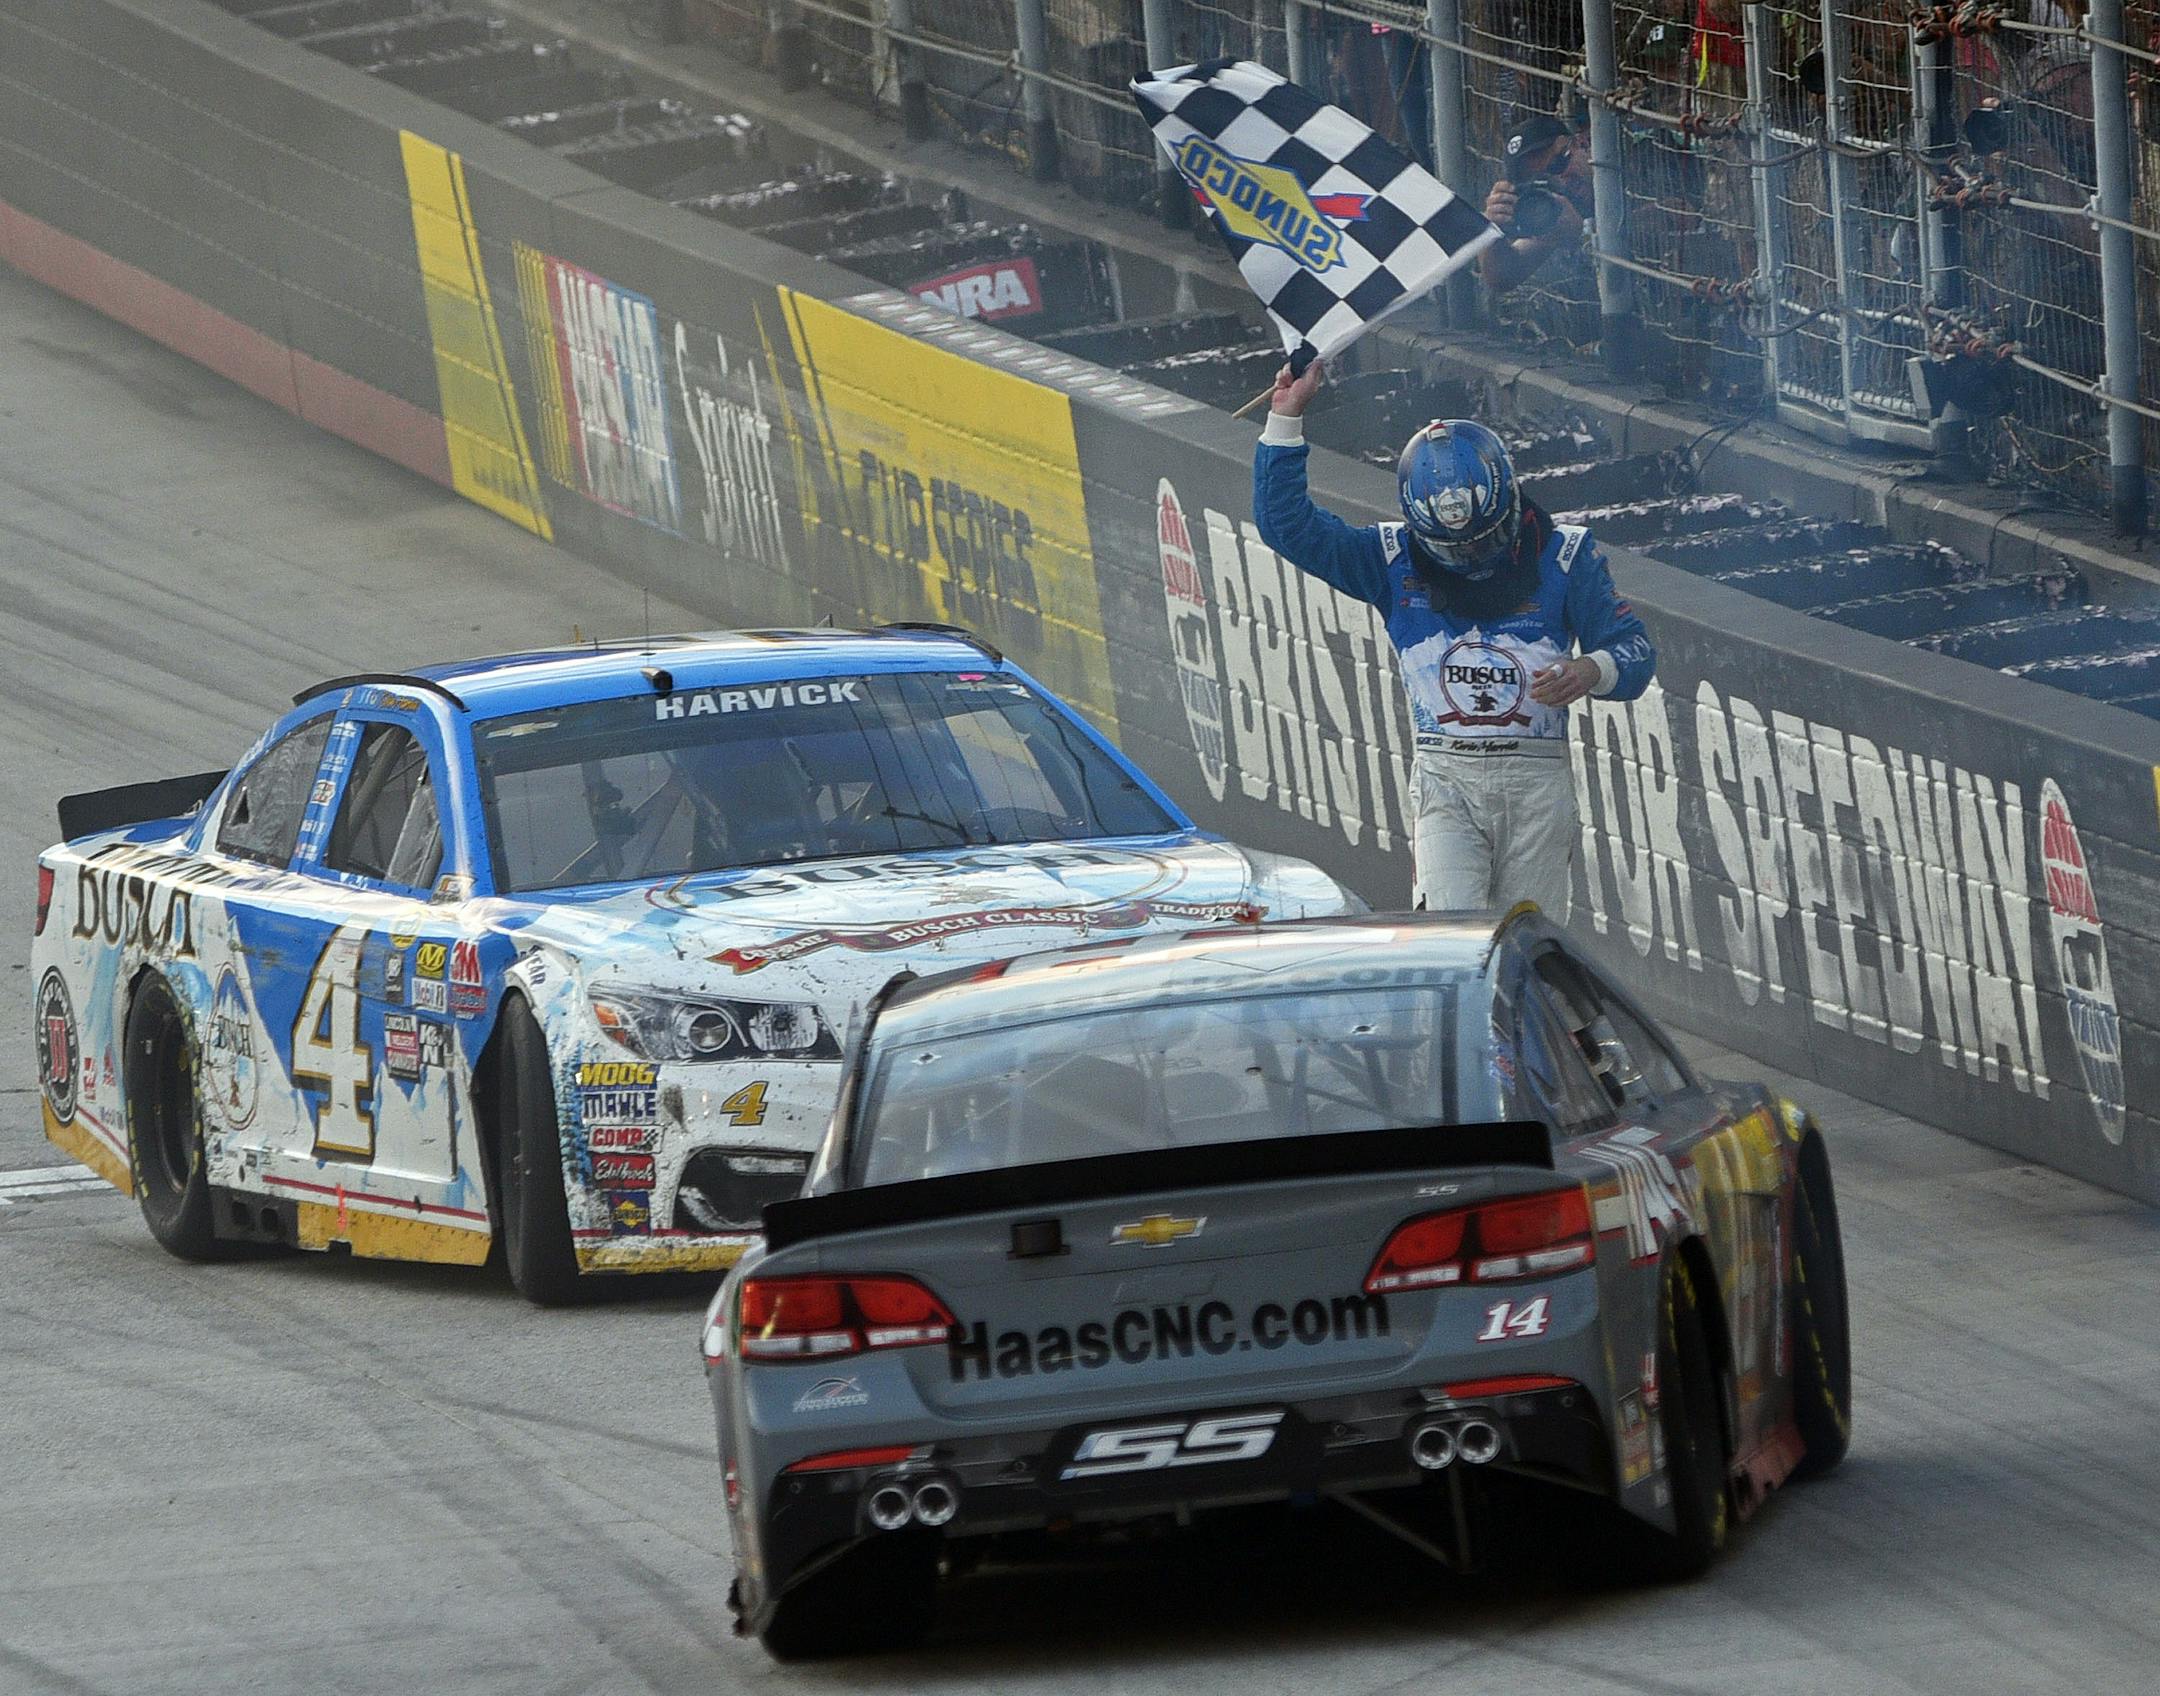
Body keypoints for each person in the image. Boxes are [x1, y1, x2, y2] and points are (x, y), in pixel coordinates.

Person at [1254, 361, 1655, 920]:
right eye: (1452, 548)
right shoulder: (1388, 558)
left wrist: (1591, 670)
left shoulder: (1566, 556)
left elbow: (1635, 651)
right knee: (1449, 931)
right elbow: (1285, 526)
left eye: (1482, 540)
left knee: (1527, 946)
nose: (1469, 558)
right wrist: (1285, 419)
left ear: (1511, 503)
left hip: (1536, 784)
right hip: (1447, 780)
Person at [1479, 111, 1597, 296]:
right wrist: (1491, 232)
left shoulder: (1627, 175)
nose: (1560, 179)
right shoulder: (1554, 209)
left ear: (1581, 144)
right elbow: (1501, 278)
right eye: (1542, 180)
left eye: (1557, 165)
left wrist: (1583, 235)